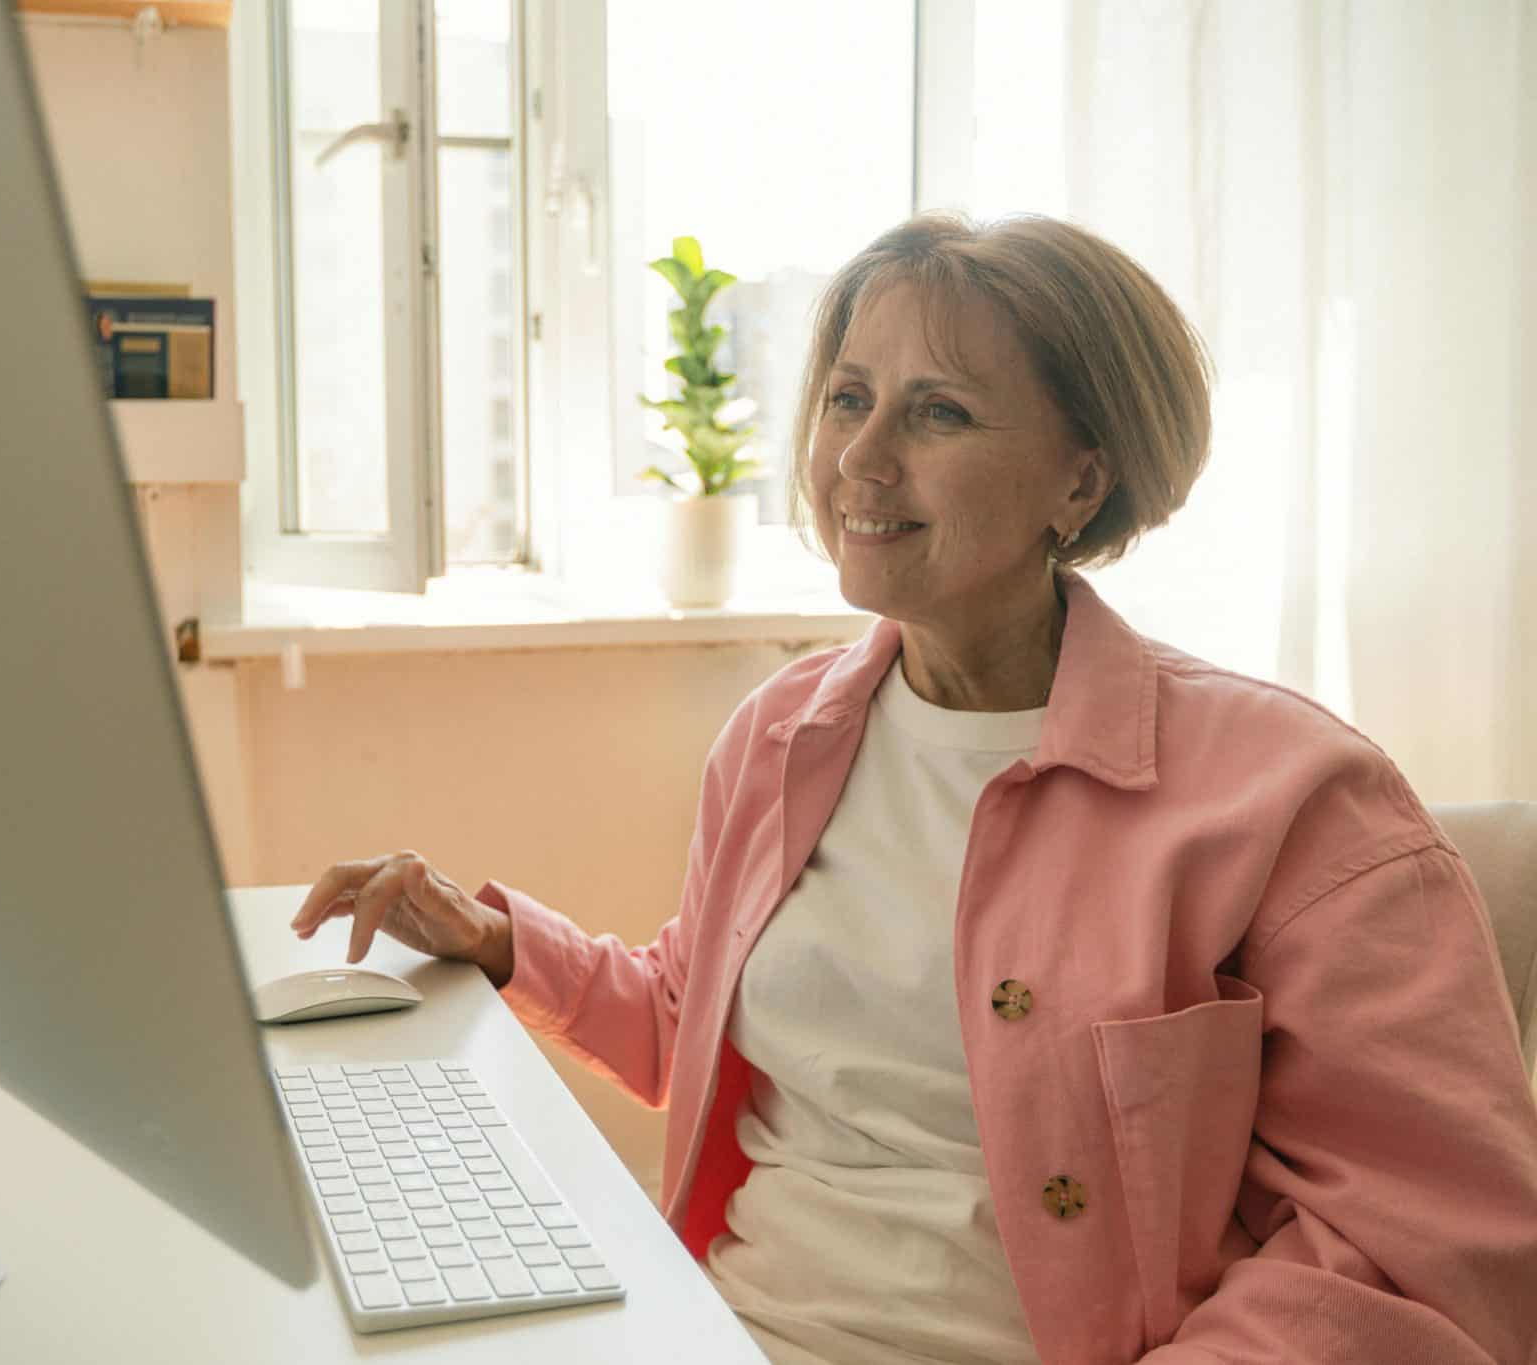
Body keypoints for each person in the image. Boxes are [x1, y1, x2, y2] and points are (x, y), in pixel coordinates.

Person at [283, 213, 1537, 1364]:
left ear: (1080, 480)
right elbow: (697, 1020)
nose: (858, 462)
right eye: (846, 400)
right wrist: (499, 944)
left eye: (937, 414)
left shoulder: (1296, 801)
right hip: (712, 1329)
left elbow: (1423, 1247)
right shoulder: (780, 733)